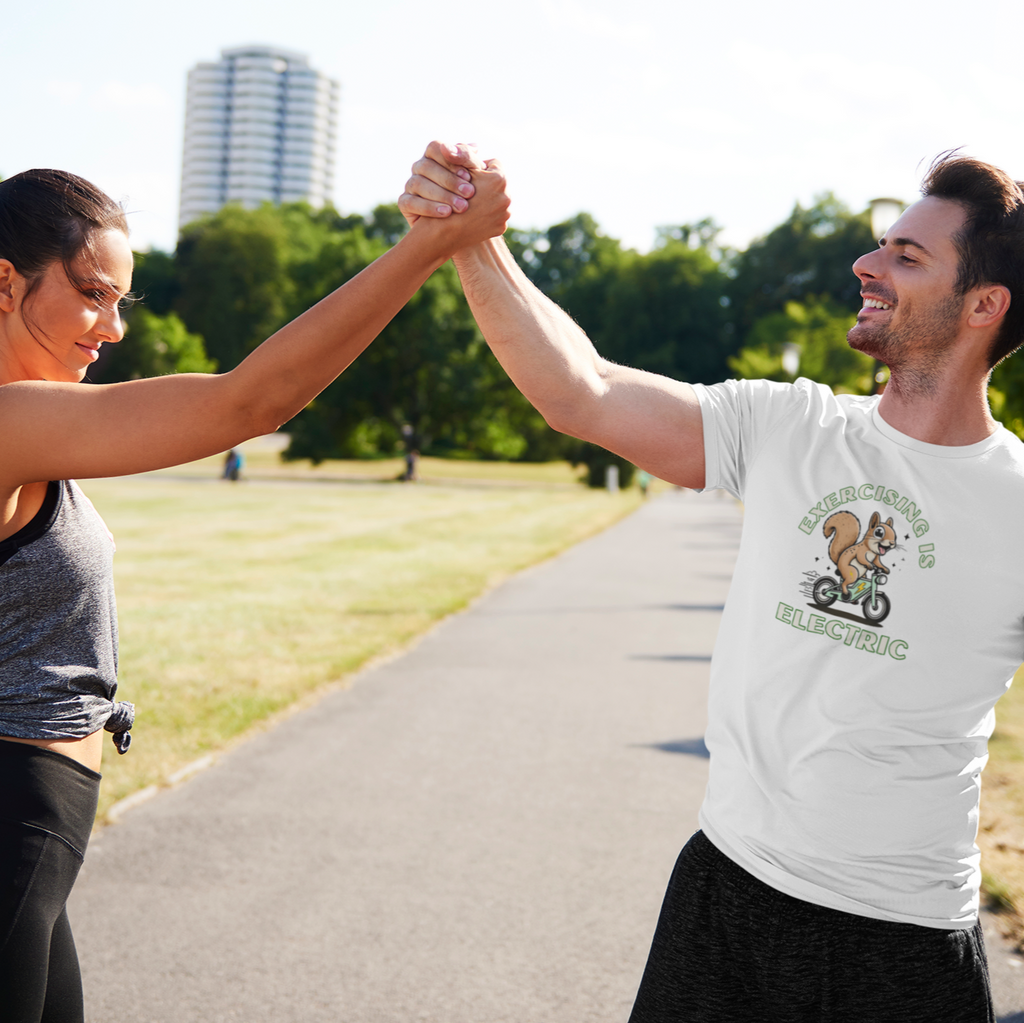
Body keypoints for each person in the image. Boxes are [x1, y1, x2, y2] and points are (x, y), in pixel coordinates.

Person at [400, 144, 1024, 1021]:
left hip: (907, 942)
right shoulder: (791, 425)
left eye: (906, 256)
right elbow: (583, 391)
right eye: (883, 244)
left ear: (984, 306)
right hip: (728, 895)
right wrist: (469, 239)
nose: (867, 263)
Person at [0, 162, 509, 1023]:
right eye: (92, 294)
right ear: (6, 281)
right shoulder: (11, 424)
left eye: (124, 301)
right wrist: (425, 249)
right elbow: (252, 399)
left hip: (36, 841)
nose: (114, 325)